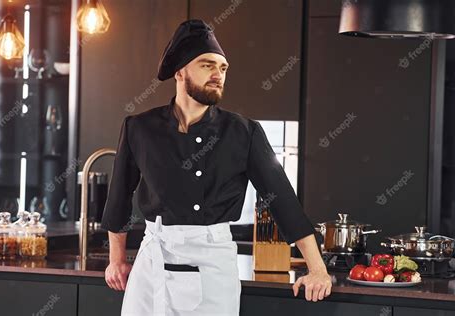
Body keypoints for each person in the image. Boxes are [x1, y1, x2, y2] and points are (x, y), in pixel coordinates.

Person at [102, 19, 332, 316]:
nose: (217, 75)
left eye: (222, 68)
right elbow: (119, 197)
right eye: (207, 65)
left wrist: (317, 268)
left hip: (212, 264)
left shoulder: (243, 132)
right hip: (152, 261)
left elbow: (284, 203)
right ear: (180, 71)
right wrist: (116, 259)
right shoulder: (140, 127)